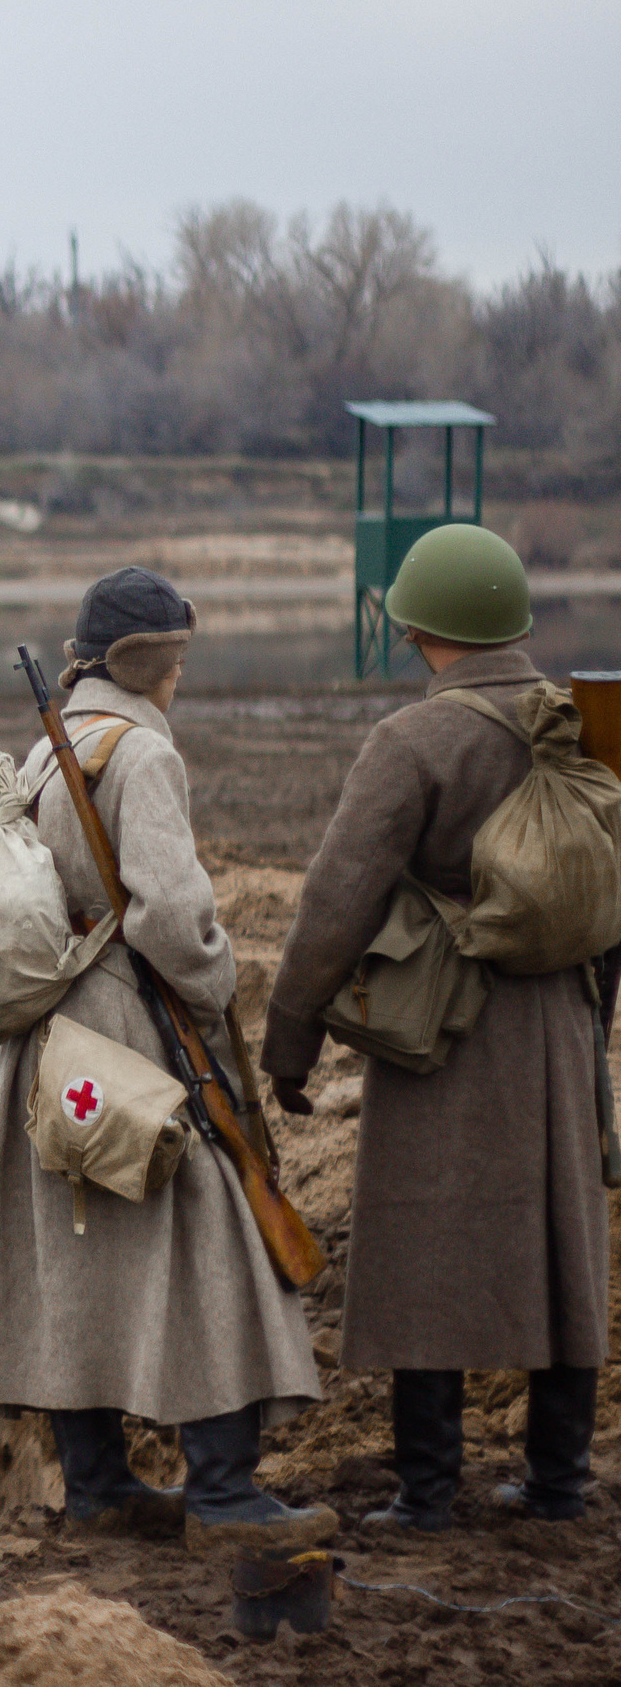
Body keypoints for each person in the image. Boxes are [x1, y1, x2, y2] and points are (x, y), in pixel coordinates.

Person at [0, 567, 330, 1553]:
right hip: (132, 1033)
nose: (182, 677)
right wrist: (217, 981)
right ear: (155, 661)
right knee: (214, 1247)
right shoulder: (142, 754)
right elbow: (170, 919)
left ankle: (100, 1489)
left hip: (50, 1046)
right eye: (178, 658)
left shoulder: (51, 744)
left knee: (76, 1263)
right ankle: (228, 1497)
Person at [262, 525, 611, 1530]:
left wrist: (289, 1046)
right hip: (560, 1023)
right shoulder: (586, 723)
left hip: (440, 1032)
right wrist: (594, 1023)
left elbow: (335, 905)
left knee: (422, 1248)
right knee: (562, 1251)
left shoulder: (411, 742)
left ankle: (425, 1493)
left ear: (415, 623)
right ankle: (558, 1485)